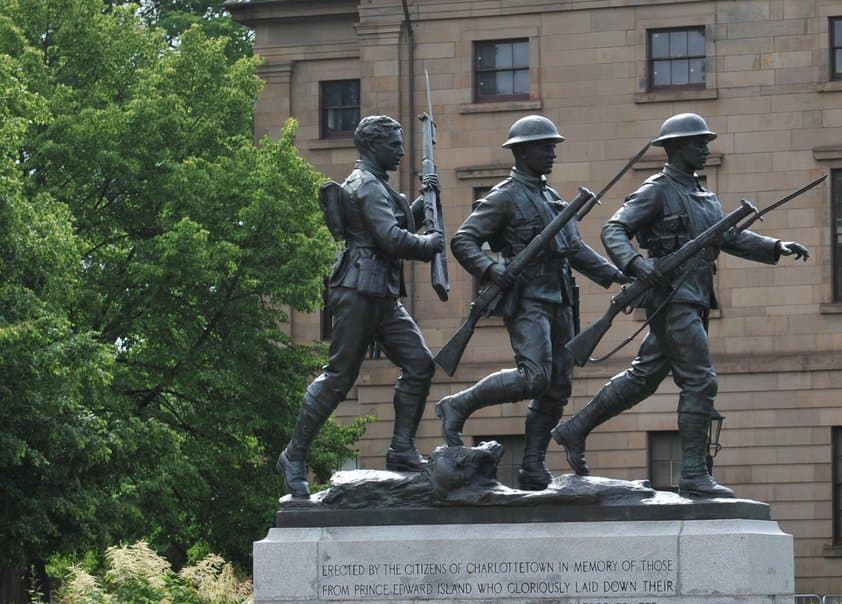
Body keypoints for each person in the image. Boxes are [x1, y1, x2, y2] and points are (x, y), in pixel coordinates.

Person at [550, 113, 810, 497]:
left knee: (644, 376)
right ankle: (692, 473)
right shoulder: (656, 190)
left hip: (696, 298)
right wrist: (638, 264)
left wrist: (775, 246)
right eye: (698, 143)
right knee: (700, 380)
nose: (705, 148)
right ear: (676, 148)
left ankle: (575, 428)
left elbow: (730, 236)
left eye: (705, 142)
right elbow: (614, 229)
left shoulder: (705, 195)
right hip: (671, 300)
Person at [434, 117, 628, 490]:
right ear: (523, 152)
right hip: (527, 300)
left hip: (559, 299)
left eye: (553, 146)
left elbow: (574, 249)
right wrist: (491, 268)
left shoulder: (552, 198)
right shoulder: (505, 195)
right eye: (545, 147)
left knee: (556, 388)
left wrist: (617, 275)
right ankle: (458, 404)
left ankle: (533, 467)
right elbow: (464, 240)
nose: (552, 153)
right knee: (534, 376)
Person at [277, 114, 445, 498]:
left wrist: (424, 203)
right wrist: (429, 244)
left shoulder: (379, 187)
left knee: (420, 364)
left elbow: (393, 223)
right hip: (357, 287)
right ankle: (294, 456)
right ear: (372, 146)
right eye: (395, 144)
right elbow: (389, 238)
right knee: (339, 376)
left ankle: (401, 448)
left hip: (381, 292)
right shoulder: (366, 185)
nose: (402, 150)